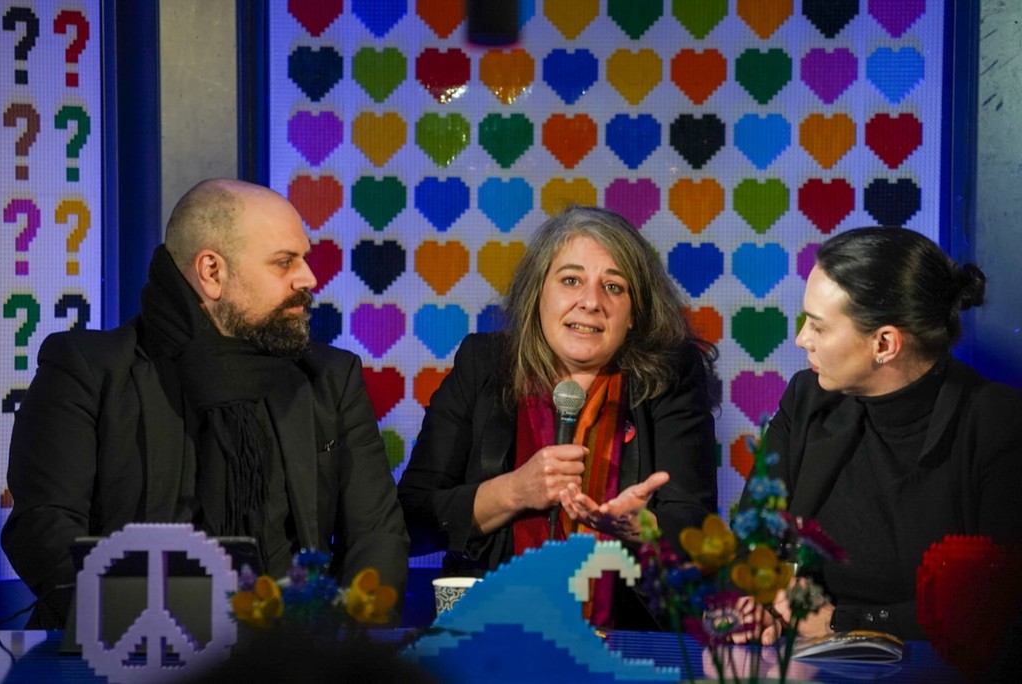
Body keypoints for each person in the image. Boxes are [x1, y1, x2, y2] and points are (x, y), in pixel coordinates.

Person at [1, 179, 409, 628]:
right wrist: (145, 624)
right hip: (123, 646)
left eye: (304, 259)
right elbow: (43, 529)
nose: (308, 278)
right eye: (284, 262)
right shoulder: (89, 370)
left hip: (294, 645)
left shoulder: (330, 378)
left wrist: (346, 641)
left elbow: (377, 534)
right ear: (212, 272)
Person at [397, 205, 718, 628]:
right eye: (571, 280)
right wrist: (514, 490)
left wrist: (641, 528)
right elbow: (413, 520)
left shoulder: (671, 375)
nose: (591, 302)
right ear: (538, 293)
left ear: (634, 314)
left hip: (628, 638)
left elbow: (698, 528)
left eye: (614, 287)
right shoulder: (482, 364)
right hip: (489, 629)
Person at [741, 226, 1022, 644]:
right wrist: (758, 603)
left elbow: (999, 607)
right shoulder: (806, 399)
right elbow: (752, 540)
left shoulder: (998, 424)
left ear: (885, 344)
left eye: (818, 327)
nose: (802, 340)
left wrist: (847, 622)